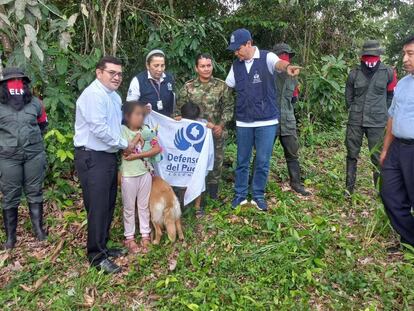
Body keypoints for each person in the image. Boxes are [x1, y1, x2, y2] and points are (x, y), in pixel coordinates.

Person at [225, 28, 301, 212]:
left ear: (249, 44)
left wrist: (287, 67)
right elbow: (227, 87)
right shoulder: (236, 66)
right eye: (234, 50)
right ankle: (240, 195)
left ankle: (258, 195)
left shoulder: (266, 57)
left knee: (262, 160)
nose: (236, 53)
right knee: (242, 160)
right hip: (244, 121)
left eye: (238, 49)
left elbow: (279, 64)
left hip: (266, 121)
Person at [74, 56, 136, 274]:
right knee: (98, 206)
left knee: (108, 203)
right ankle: (96, 256)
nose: (117, 77)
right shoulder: (93, 95)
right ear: (99, 72)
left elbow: (116, 126)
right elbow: (99, 129)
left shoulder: (114, 97)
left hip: (108, 156)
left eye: (119, 74)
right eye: (112, 73)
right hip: (92, 156)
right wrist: (124, 145)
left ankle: (103, 246)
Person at [0, 67, 48, 249]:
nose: (16, 85)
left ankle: (39, 230)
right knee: (10, 195)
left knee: (35, 191)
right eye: (12, 82)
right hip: (7, 156)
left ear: (25, 84)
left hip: (33, 154)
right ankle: (11, 238)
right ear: (4, 85)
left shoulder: (35, 103)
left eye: (20, 81)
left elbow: (43, 124)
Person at [175, 53, 233, 199]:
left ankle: (212, 196)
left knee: (215, 163)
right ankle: (192, 197)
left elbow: (229, 108)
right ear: (196, 68)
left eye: (208, 65)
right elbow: (178, 109)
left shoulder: (221, 86)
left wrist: (221, 125)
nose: (206, 69)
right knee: (193, 164)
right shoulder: (188, 87)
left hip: (214, 133)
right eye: (202, 66)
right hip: (193, 137)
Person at [345, 39, 397, 195]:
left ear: (378, 56)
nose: (370, 59)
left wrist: (383, 112)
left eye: (373, 56)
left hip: (378, 122)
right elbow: (348, 97)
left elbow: (390, 96)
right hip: (356, 121)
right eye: (367, 56)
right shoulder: (354, 73)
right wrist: (355, 110)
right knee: (352, 154)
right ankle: (349, 189)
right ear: (362, 56)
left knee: (378, 156)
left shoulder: (388, 72)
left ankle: (380, 191)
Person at [380, 35, 414, 248]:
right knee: (390, 195)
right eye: (404, 53)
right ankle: (410, 239)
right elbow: (392, 117)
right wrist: (385, 149)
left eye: (410, 54)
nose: (404, 59)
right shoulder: (402, 83)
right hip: (397, 149)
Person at [120, 101, 161, 254]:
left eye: (142, 114)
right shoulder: (122, 130)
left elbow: (157, 148)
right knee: (129, 208)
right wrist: (137, 137)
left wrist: (139, 155)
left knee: (144, 206)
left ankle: (145, 235)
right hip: (129, 175)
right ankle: (129, 237)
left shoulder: (147, 130)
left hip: (145, 173)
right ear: (127, 116)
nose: (141, 118)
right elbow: (125, 151)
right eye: (137, 114)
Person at [272, 43, 310, 196]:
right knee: (263, 154)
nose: (285, 58)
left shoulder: (294, 77)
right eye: (282, 55)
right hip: (270, 120)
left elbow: (293, 99)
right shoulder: (268, 75)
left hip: (288, 121)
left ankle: (296, 183)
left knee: (293, 154)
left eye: (287, 55)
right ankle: (254, 185)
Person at [180, 101, 215, 217]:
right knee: (182, 180)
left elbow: (211, 128)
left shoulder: (203, 124)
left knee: (198, 179)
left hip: (197, 159)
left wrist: (211, 127)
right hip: (183, 159)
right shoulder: (179, 122)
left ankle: (197, 207)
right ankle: (183, 204)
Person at [127, 49, 175, 117]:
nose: (160, 69)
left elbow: (173, 101)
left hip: (166, 123)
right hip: (145, 124)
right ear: (147, 65)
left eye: (162, 66)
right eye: (156, 66)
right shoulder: (138, 80)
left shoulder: (169, 78)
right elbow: (129, 107)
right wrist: (141, 109)